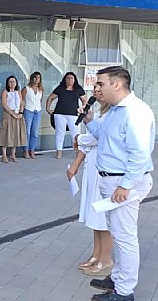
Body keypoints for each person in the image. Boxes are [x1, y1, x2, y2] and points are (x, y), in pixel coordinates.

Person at [84, 66, 154, 301]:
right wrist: (89, 121)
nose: (97, 89)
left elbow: (140, 153)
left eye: (101, 83)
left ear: (117, 84)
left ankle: (125, 292)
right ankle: (117, 278)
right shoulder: (115, 111)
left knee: (125, 237)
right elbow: (102, 135)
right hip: (112, 180)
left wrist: (126, 185)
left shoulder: (136, 112)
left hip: (123, 183)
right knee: (116, 232)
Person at [67, 85, 113, 277]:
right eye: (95, 88)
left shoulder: (114, 115)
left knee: (103, 217)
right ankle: (96, 254)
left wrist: (81, 137)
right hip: (93, 169)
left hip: (105, 170)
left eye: (101, 87)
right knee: (94, 214)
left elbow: (97, 139)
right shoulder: (99, 115)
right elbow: (88, 143)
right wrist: (75, 166)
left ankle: (106, 259)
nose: (97, 92)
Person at [45, 71, 87, 159]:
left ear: (75, 80)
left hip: (74, 114)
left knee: (75, 134)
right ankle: (59, 152)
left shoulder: (78, 89)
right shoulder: (60, 88)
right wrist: (48, 109)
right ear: (65, 79)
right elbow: (51, 97)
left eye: (71, 78)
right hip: (59, 113)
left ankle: (77, 153)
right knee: (60, 133)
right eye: (68, 78)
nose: (70, 80)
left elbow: (84, 100)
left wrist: (83, 108)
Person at [0, 75, 27, 163]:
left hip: (18, 113)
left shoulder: (18, 92)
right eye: (10, 82)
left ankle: (13, 154)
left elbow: (22, 103)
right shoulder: (5, 92)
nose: (12, 83)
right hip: (8, 113)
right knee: (6, 133)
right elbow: (4, 104)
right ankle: (4, 155)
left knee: (16, 134)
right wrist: (12, 113)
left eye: (14, 81)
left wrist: (21, 113)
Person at [21, 71, 44, 159]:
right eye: (35, 77)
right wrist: (21, 110)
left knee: (35, 131)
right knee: (27, 131)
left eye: (38, 78)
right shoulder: (26, 89)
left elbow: (40, 100)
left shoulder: (40, 90)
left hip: (37, 110)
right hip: (28, 110)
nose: (36, 79)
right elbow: (22, 100)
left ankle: (32, 149)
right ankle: (25, 150)